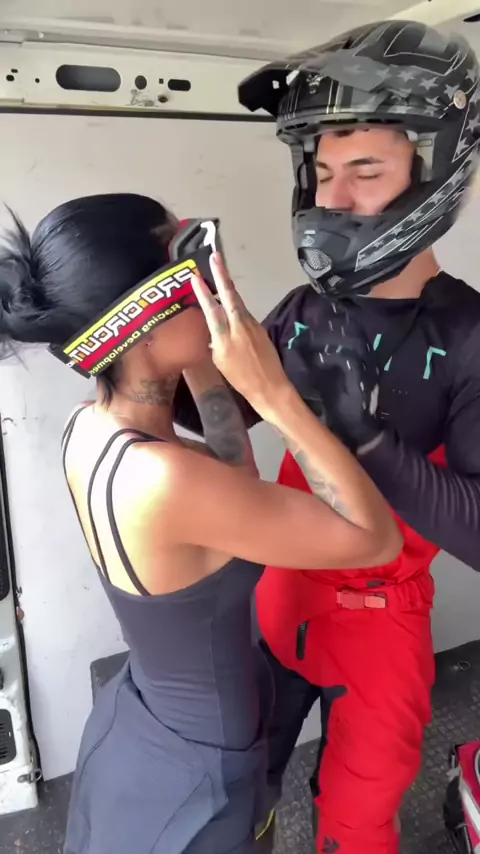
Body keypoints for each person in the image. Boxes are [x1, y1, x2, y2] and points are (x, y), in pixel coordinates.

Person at [0, 193, 401, 854]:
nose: (217, 290)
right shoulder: (165, 480)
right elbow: (374, 538)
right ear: (142, 320)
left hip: (148, 721)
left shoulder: (90, 428)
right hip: (201, 772)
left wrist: (197, 358)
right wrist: (272, 394)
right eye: (194, 274)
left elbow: (235, 481)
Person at [174, 19, 480, 854]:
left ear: (437, 171)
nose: (333, 200)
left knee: (357, 816)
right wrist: (162, 347)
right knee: (242, 790)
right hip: (277, 591)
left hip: (379, 622)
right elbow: (225, 422)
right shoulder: (307, 310)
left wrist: (367, 439)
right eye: (323, 172)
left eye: (366, 171)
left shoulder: (467, 335)